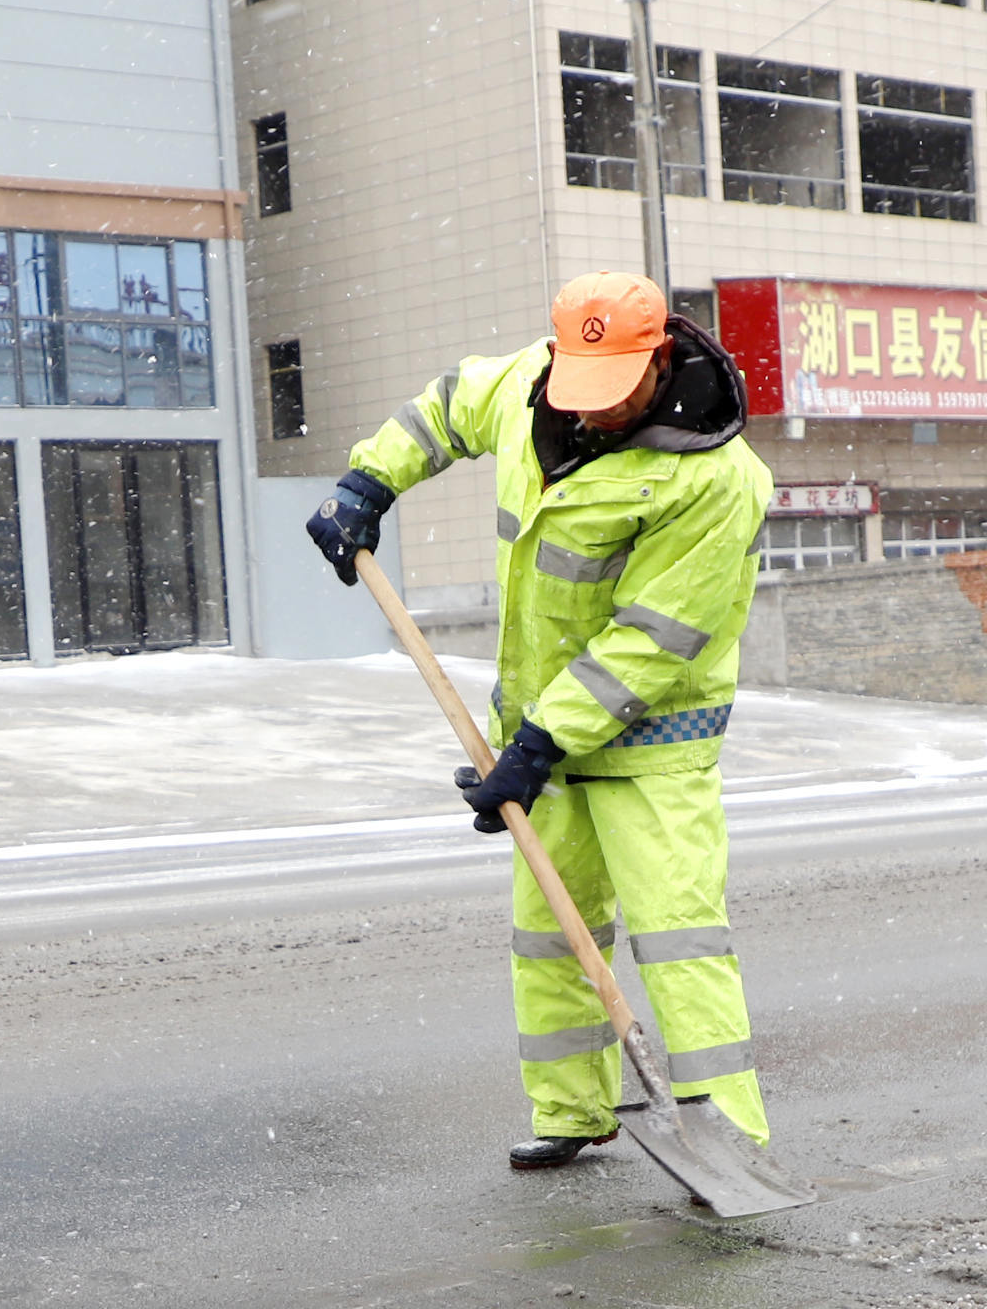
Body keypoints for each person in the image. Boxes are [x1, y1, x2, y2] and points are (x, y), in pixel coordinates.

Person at [306, 271, 779, 1172]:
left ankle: (727, 1140)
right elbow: (443, 409)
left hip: (651, 748)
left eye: (615, 395)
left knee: (678, 942)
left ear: (658, 361)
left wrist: (533, 747)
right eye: (579, 388)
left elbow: (649, 640)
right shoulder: (533, 385)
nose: (593, 412)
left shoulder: (716, 479)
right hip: (542, 739)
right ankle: (573, 1109)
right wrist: (367, 482)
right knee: (553, 933)